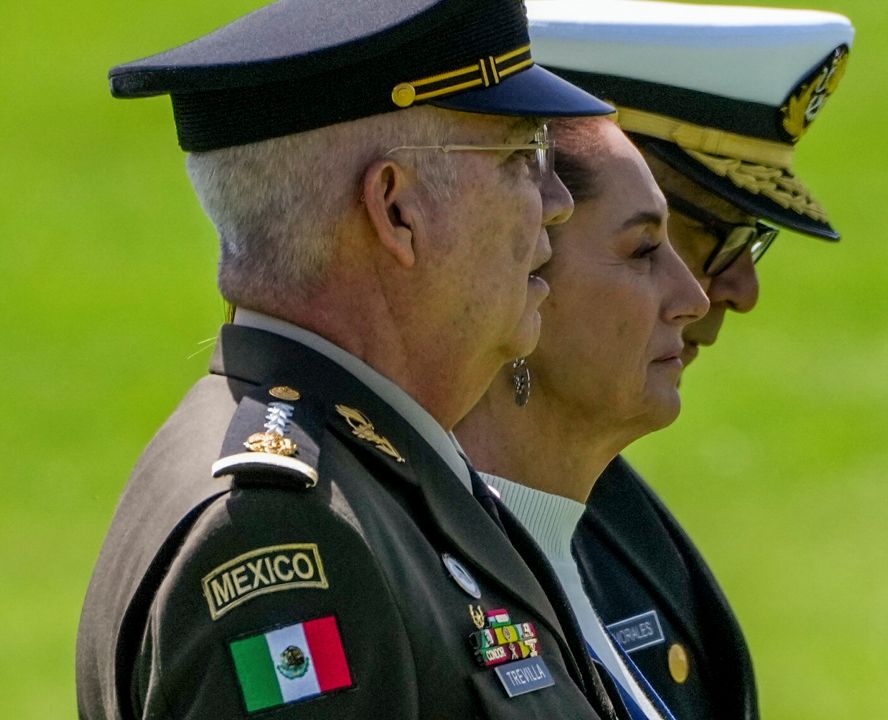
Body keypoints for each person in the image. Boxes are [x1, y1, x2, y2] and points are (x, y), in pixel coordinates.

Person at [74, 0, 628, 718]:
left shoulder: (371, 471)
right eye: (521, 156)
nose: (556, 202)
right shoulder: (282, 537)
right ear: (396, 209)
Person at [525, 2, 856, 718]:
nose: (735, 291)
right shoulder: (362, 530)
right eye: (655, 240)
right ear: (530, 215)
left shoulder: (610, 518)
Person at [454, 116, 709, 720]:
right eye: (644, 250)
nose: (693, 298)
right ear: (520, 283)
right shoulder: (436, 579)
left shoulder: (559, 553)